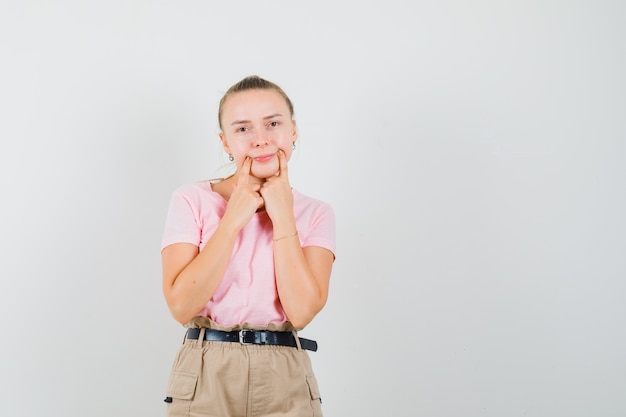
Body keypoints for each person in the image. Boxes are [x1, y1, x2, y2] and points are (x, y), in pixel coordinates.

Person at [160, 75, 336, 417]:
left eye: (273, 123)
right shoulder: (191, 199)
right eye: (243, 129)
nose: (261, 140)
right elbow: (182, 307)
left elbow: (301, 312)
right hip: (206, 369)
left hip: (284, 371)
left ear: (293, 131)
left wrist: (283, 216)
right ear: (225, 142)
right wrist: (233, 218)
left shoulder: (316, 213)